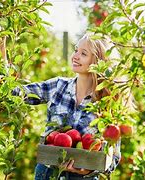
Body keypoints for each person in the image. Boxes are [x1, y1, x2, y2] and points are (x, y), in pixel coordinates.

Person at [12, 33, 121, 180]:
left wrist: (86, 171)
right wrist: (3, 67)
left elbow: (113, 158)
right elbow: (18, 94)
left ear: (98, 62)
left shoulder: (106, 103)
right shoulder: (58, 86)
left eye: (83, 53)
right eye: (76, 50)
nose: (75, 56)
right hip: (47, 174)